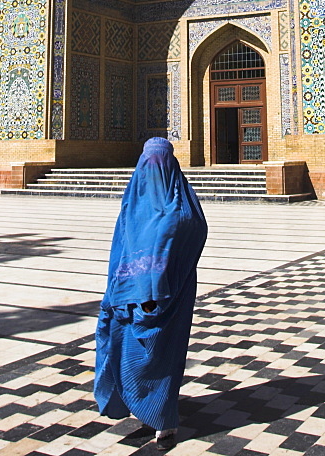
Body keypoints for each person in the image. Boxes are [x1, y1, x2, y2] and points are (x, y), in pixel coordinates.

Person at [94, 137, 208, 450]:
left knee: (164, 354)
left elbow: (194, 230)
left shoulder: (181, 207)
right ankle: (142, 405)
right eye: (150, 162)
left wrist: (160, 278)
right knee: (130, 352)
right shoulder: (138, 200)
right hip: (130, 295)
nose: (153, 169)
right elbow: (121, 247)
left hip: (169, 296)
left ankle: (164, 418)